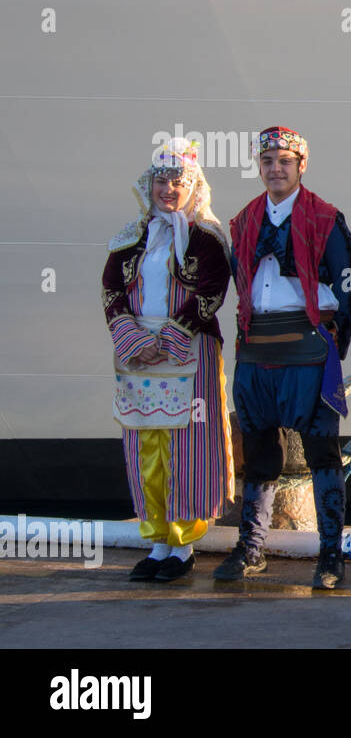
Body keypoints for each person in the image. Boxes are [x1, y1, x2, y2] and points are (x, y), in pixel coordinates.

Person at [216, 126, 351, 590]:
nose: (275, 168)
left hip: (307, 347)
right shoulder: (243, 220)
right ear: (259, 168)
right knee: (259, 452)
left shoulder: (325, 218)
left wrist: (332, 347)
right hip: (257, 348)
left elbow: (349, 285)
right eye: (267, 161)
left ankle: (329, 554)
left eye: (284, 160)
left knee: (323, 452)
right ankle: (252, 547)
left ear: (302, 165)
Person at [103, 137, 234, 582]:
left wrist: (172, 336)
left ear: (194, 184)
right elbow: (111, 293)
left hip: (189, 347)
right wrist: (134, 340)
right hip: (138, 352)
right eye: (162, 179)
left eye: (178, 180)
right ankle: (158, 540)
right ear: (150, 183)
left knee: (187, 446)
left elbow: (211, 291)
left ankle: (184, 544)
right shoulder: (130, 237)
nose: (169, 189)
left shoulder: (207, 237)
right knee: (145, 444)